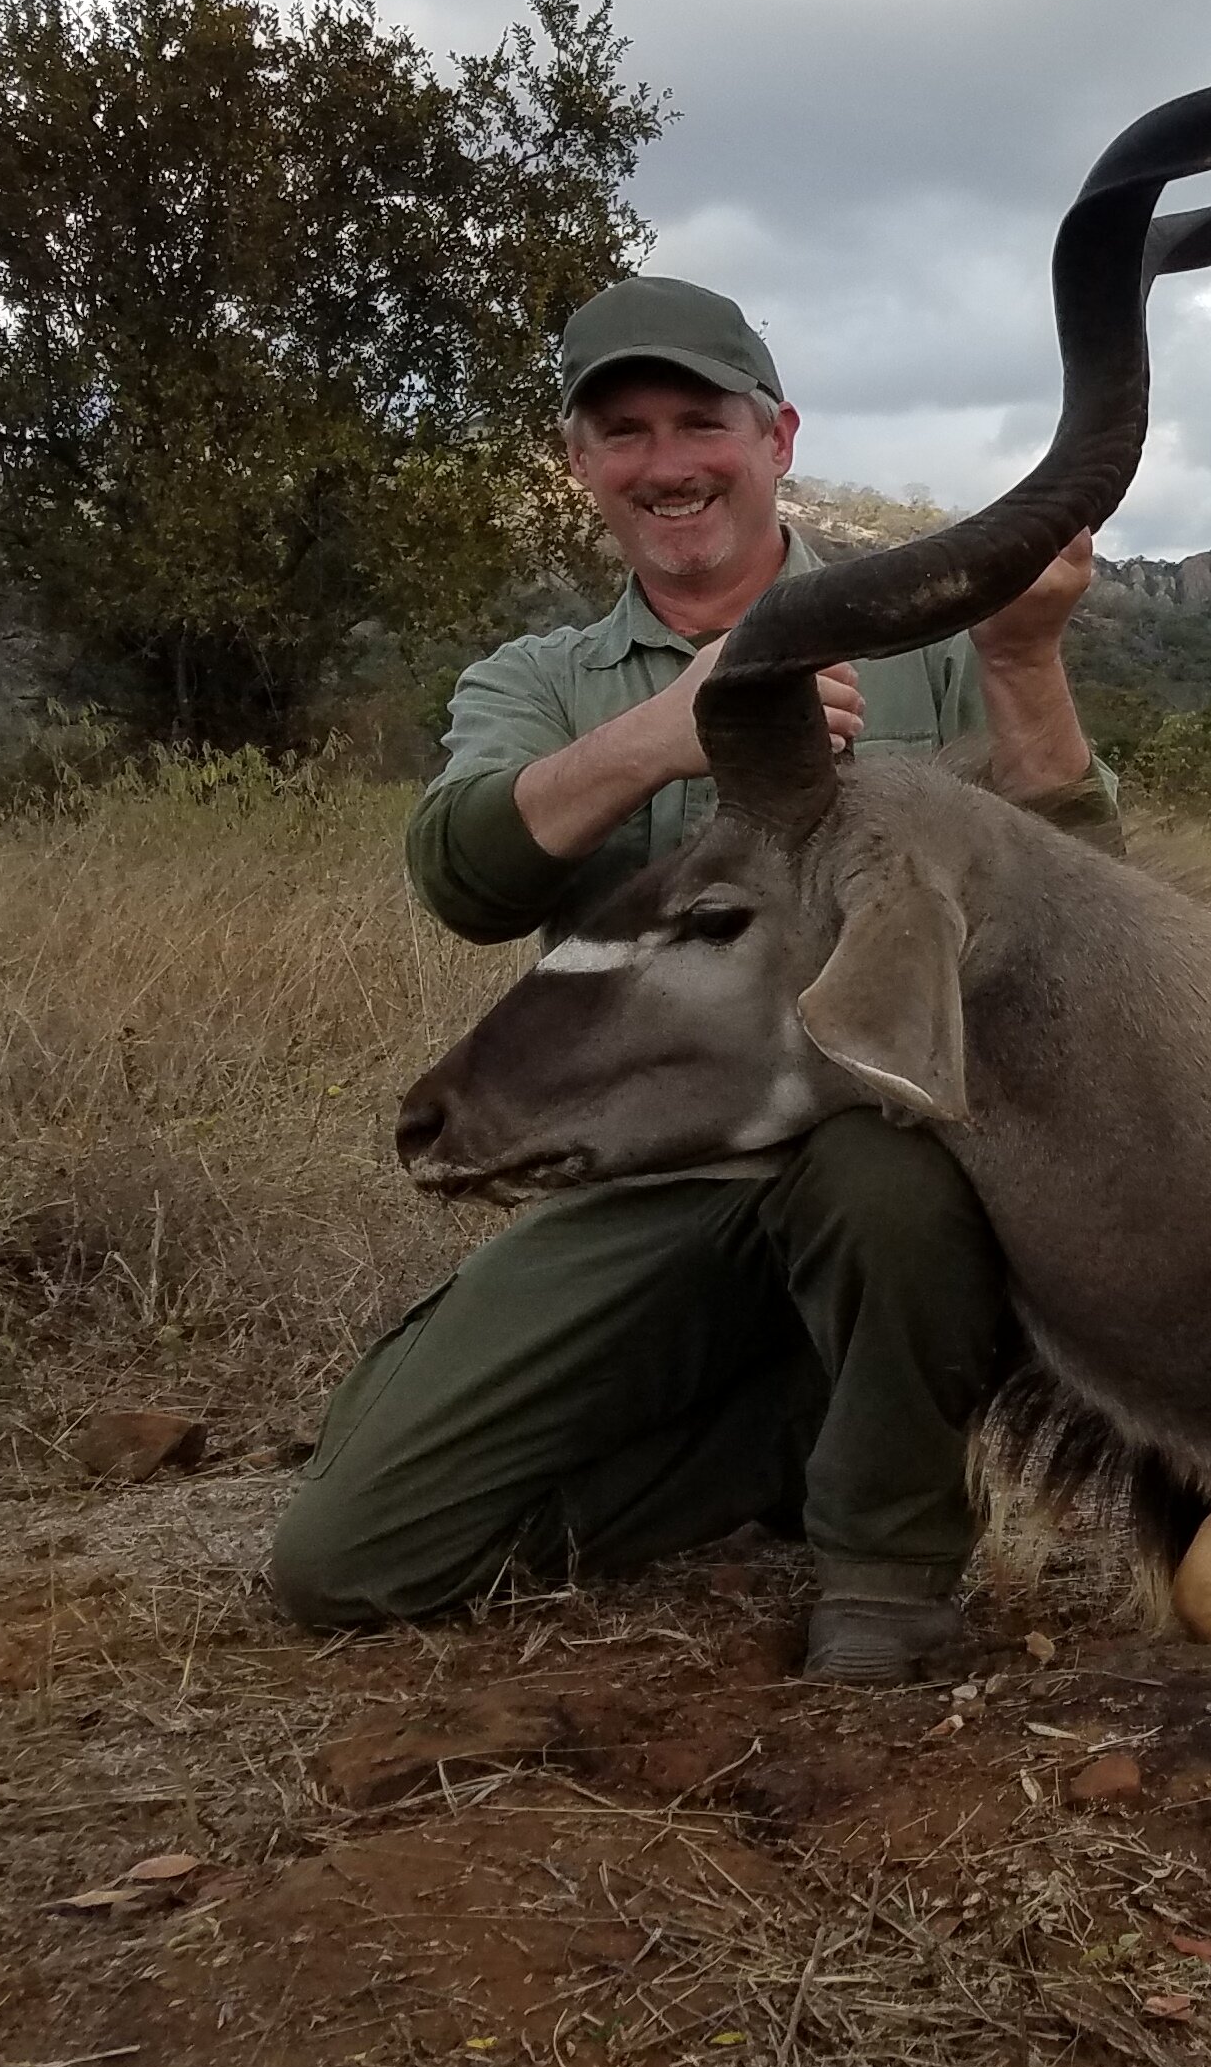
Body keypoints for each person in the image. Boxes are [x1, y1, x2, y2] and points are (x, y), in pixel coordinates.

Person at [266, 275, 1121, 1681]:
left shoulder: (928, 645)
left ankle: (887, 1561)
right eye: (625, 433)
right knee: (344, 1562)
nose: (668, 463)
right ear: (580, 465)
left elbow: (1097, 907)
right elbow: (460, 874)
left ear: (777, 434)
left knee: (890, 1178)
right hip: (651, 1184)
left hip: (876, 1163)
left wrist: (1024, 660)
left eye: (700, 422)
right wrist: (665, 734)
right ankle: (795, 1433)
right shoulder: (545, 678)